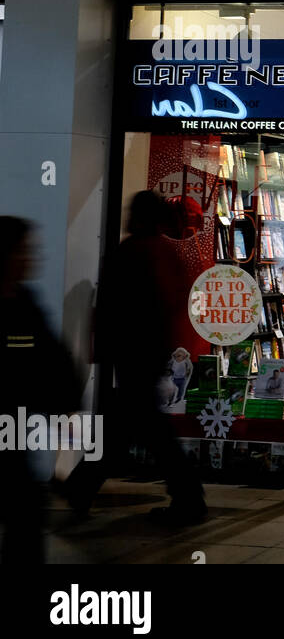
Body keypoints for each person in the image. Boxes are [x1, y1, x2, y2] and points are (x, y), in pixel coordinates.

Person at [65, 191, 207, 524]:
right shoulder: (160, 252)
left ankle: (83, 487)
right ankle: (186, 496)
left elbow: (111, 306)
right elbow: (175, 304)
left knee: (137, 425)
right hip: (148, 351)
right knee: (135, 424)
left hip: (131, 353)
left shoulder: (131, 251)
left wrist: (101, 347)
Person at [0, 217, 81, 563]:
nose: (31, 258)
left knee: (26, 517)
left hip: (13, 432)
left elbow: (51, 358)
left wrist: (67, 402)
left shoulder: (24, 301)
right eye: (24, 251)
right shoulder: (19, 304)